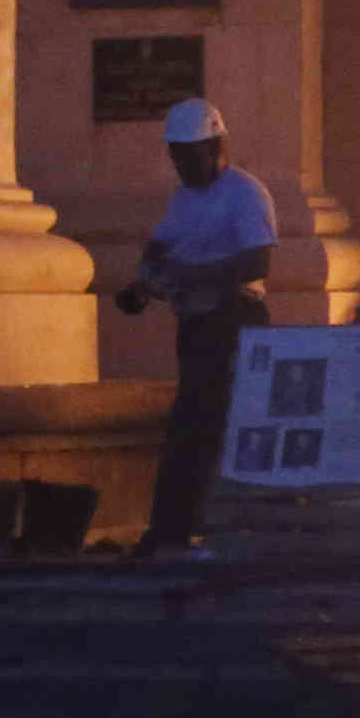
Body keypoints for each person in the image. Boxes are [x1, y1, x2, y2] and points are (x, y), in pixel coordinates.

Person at [116, 98, 276, 556]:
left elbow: (258, 261)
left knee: (207, 427)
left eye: (192, 156)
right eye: (178, 158)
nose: (184, 167)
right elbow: (162, 247)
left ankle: (181, 532)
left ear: (217, 146)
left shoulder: (244, 193)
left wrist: (192, 275)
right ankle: (178, 531)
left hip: (234, 321)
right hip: (197, 324)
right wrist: (146, 282)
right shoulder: (184, 198)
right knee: (194, 427)